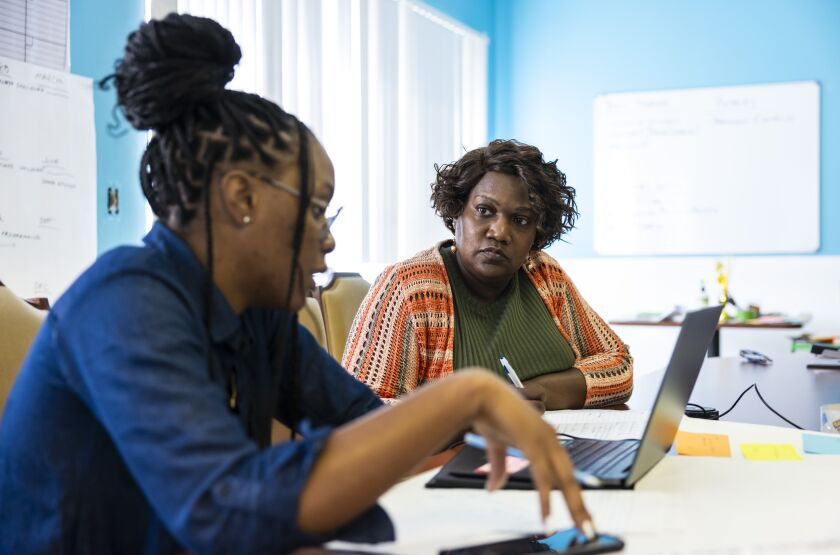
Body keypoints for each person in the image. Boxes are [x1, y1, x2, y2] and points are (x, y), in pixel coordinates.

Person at [0, 15, 595, 555]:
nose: (328, 240)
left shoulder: (256, 317)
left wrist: (473, 420)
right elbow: (223, 510)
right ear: (242, 199)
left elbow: (361, 421)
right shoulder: (124, 303)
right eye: (315, 211)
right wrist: (462, 395)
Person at [344, 140, 633, 410]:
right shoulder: (409, 287)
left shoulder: (544, 274)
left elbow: (619, 365)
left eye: (520, 220)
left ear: (536, 233)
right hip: (456, 461)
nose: (499, 232)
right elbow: (359, 416)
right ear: (456, 212)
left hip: (553, 447)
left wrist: (542, 391)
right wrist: (477, 412)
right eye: (484, 210)